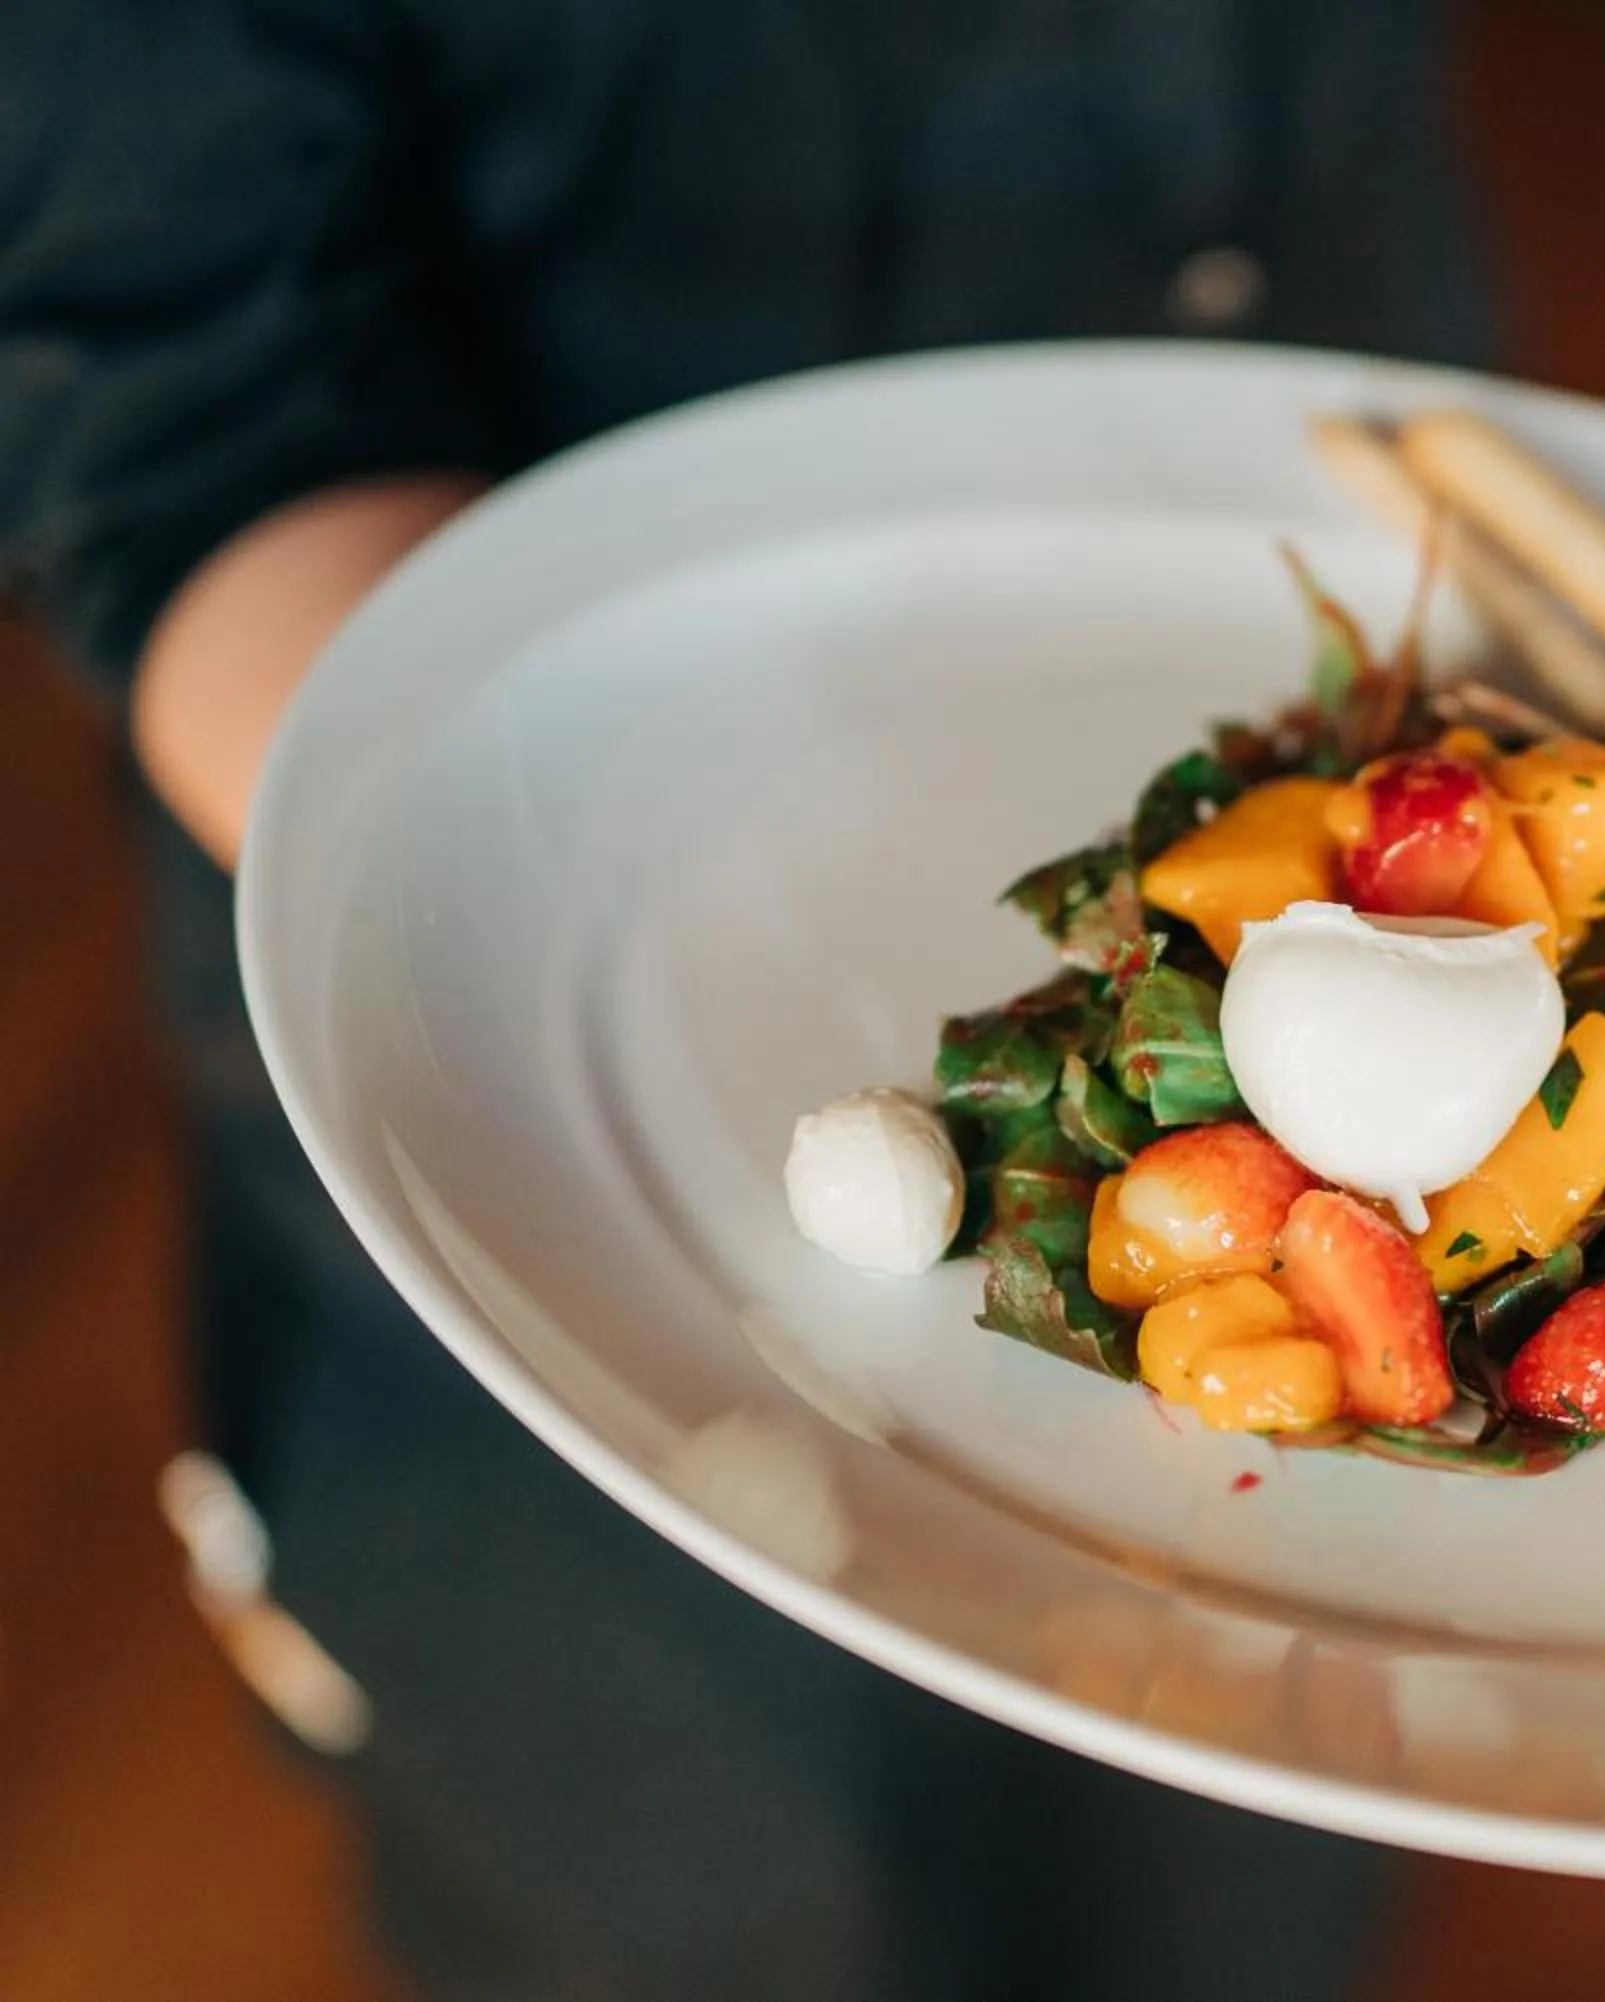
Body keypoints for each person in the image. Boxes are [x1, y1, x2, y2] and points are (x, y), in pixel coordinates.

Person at [0, 2, 1491, 1995]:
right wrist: (712, 917)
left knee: (1232, 1882)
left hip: (1346, 664)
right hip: (559, 1121)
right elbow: (183, 406)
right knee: (696, 1890)